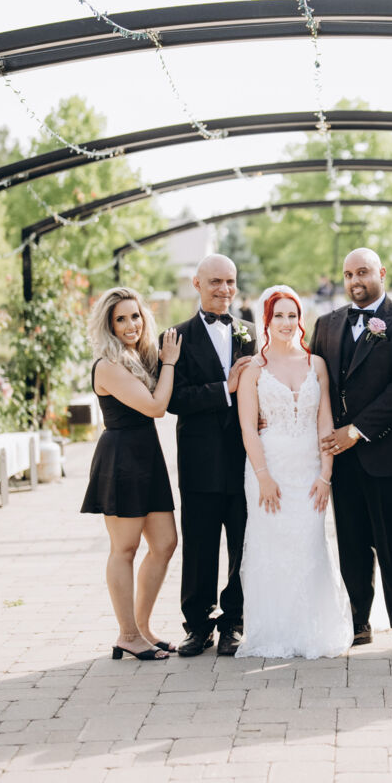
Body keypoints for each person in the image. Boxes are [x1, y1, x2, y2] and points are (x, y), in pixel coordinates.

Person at [310, 248, 392, 659]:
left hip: (388, 454)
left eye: (362, 272)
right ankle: (358, 621)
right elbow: (315, 383)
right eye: (348, 274)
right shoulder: (327, 324)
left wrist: (356, 431)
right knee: (351, 542)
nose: (355, 281)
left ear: (381, 272)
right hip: (340, 457)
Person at [234, 286, 353, 658]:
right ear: (266, 321)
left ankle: (311, 630)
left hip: (309, 470)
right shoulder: (254, 369)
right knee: (272, 547)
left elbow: (325, 422)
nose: (286, 323)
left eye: (292, 315)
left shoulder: (316, 364)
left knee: (309, 543)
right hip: (269, 468)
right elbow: (248, 428)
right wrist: (263, 476)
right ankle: (275, 631)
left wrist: (326, 474)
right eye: (278, 316)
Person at [80, 286, 182, 661]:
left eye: (135, 316)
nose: (130, 325)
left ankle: (142, 628)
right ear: (108, 325)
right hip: (121, 458)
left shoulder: (140, 357)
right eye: (120, 319)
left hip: (147, 455)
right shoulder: (108, 365)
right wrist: (170, 363)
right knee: (124, 549)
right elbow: (156, 407)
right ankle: (127, 634)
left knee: (165, 543)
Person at [167, 254, 257, 657]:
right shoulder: (175, 337)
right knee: (199, 547)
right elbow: (173, 399)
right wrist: (225, 389)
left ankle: (234, 622)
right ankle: (198, 626)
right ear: (197, 284)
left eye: (230, 281)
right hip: (199, 461)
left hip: (243, 460)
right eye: (216, 281)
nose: (224, 289)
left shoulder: (250, 333)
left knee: (243, 545)